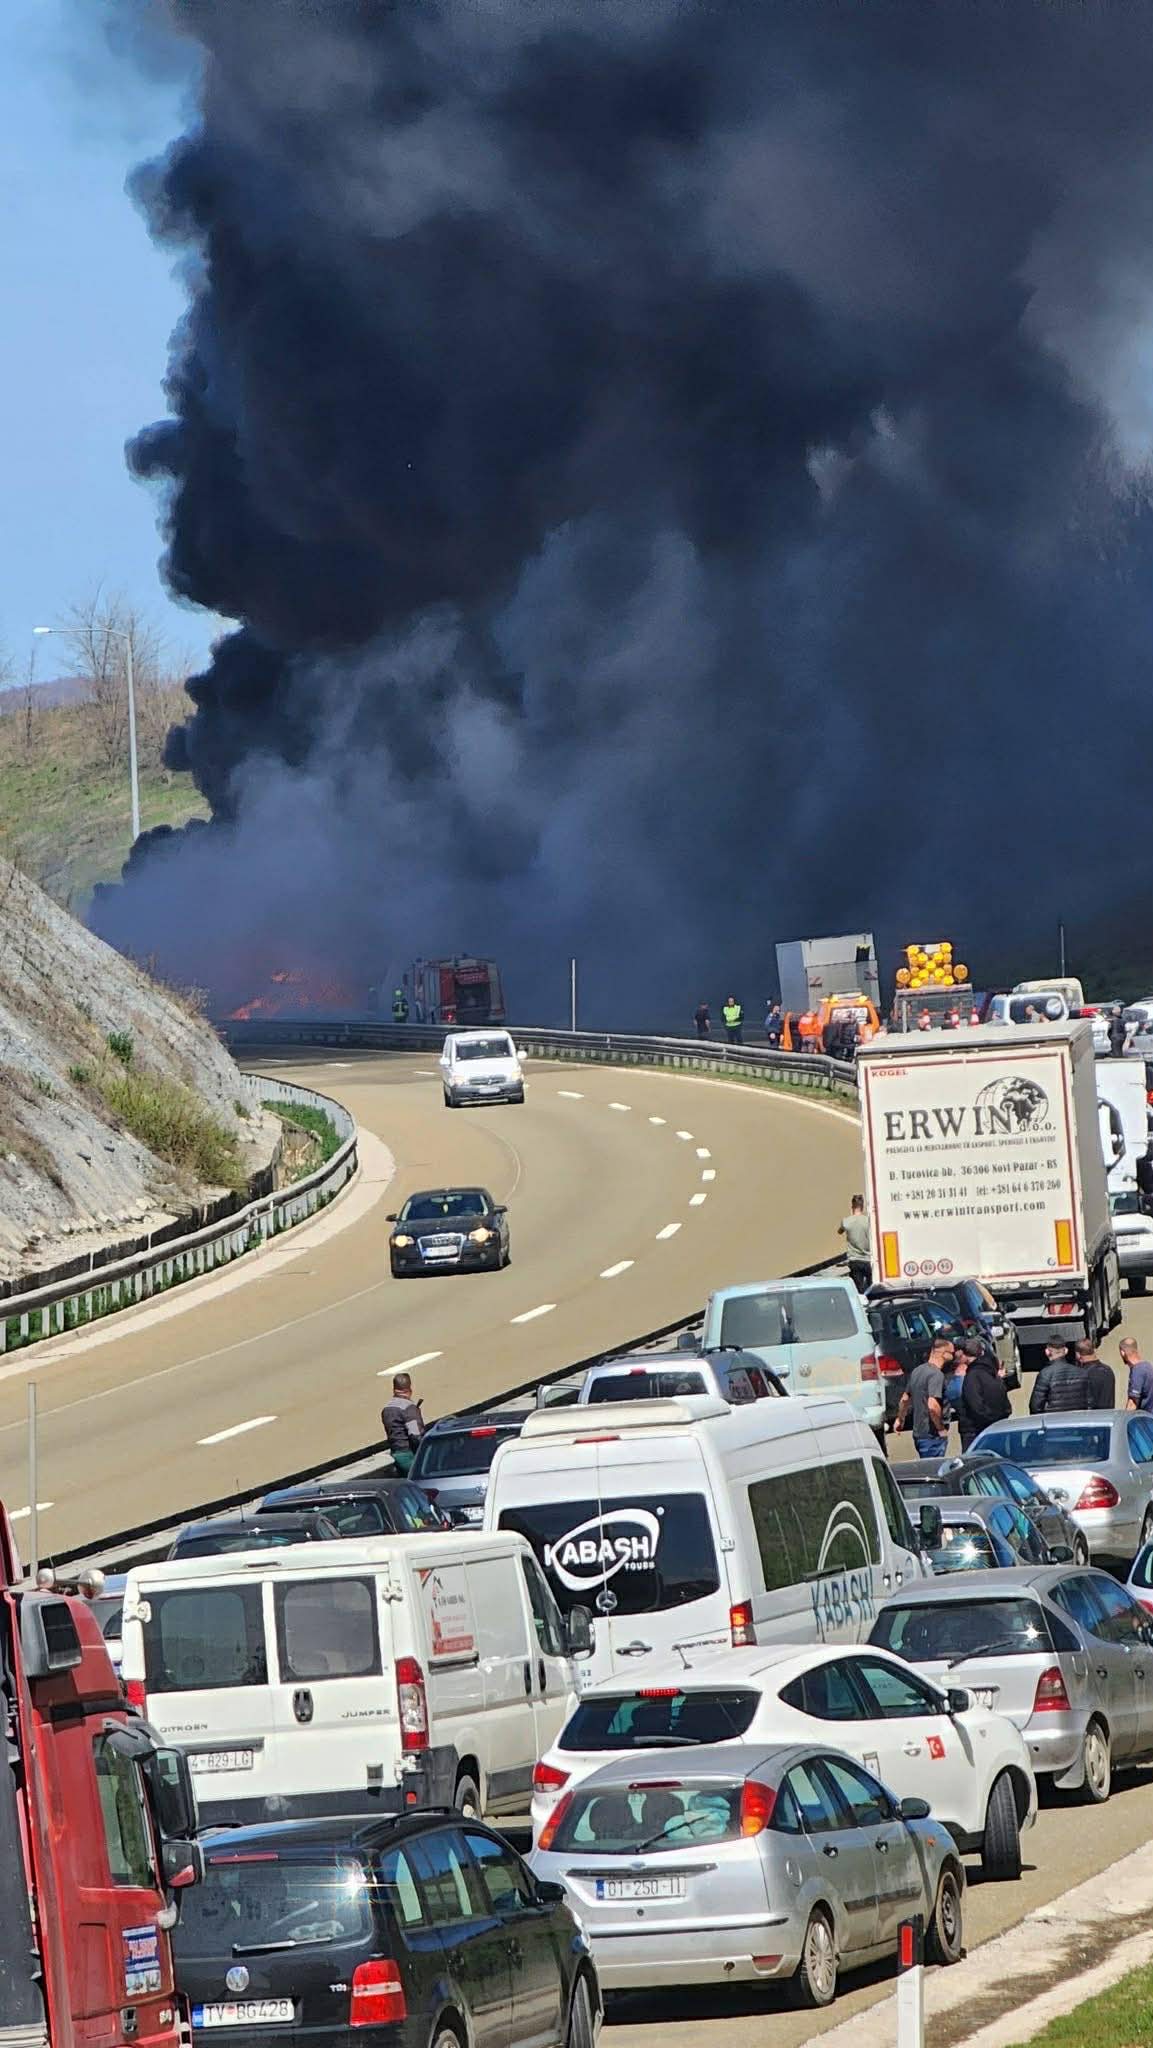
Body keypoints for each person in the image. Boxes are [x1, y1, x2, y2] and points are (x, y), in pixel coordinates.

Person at [897, 1335, 956, 1459]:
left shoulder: (917, 1371)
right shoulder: (936, 1375)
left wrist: (900, 1419)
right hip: (932, 1436)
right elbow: (933, 1406)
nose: (953, 1356)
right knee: (935, 1471)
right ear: (944, 1354)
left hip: (919, 1434)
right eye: (952, 1353)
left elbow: (904, 1399)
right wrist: (940, 1428)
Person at [957, 1338, 1012, 1450]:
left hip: (976, 1430)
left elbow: (975, 1404)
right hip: (997, 1424)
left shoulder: (973, 1375)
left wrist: (990, 1418)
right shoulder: (991, 1371)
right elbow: (1003, 1397)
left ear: (965, 1354)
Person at [381, 1371, 425, 1472]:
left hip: (396, 1453)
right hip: (409, 1456)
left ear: (394, 1389)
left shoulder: (386, 1409)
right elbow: (416, 1436)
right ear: (409, 1388)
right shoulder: (408, 1408)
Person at [838, 1196, 871, 1293]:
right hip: (869, 1259)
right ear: (862, 1206)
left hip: (854, 1260)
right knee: (872, 1288)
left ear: (852, 1206)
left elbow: (839, 1231)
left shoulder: (846, 1221)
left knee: (858, 1290)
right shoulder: (868, 1221)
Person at [1074, 1337, 1116, 1409]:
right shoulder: (1108, 1370)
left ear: (1078, 1354)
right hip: (1108, 1417)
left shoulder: (1082, 1374)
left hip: (1092, 1418)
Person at [1121, 1336, 1153, 1414]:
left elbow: (1132, 1404)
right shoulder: (1148, 1366)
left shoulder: (1137, 1371)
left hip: (1145, 1421)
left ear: (1122, 1352)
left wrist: (1124, 1421)